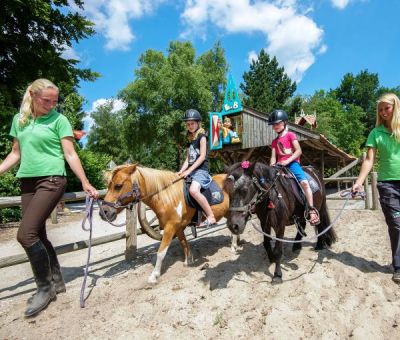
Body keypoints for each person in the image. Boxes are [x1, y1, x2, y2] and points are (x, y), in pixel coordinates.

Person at [0, 79, 99, 317]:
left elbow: (70, 153)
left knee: (25, 234)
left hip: (52, 180)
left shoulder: (59, 120)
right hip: (27, 181)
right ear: (32, 96)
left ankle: (44, 289)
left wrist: (85, 181)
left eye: (55, 101)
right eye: (47, 101)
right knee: (38, 234)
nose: (52, 105)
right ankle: (56, 281)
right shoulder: (19, 120)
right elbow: (15, 153)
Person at [352, 93, 400, 284]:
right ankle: (398, 266)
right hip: (388, 185)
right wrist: (358, 181)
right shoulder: (375, 133)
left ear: (395, 107)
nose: (383, 112)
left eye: (386, 108)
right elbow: (369, 160)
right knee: (397, 225)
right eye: (380, 109)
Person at [268, 109, 320, 225]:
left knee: (305, 183)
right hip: (278, 166)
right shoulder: (274, 141)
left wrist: (287, 161)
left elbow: (298, 151)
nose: (275, 126)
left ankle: (312, 210)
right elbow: (273, 157)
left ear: (284, 123)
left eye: (277, 123)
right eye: (273, 125)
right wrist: (271, 166)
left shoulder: (291, 135)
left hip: (292, 164)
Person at [177, 109, 216, 227]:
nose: (190, 126)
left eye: (192, 123)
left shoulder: (202, 137)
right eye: (188, 124)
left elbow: (202, 156)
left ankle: (211, 216)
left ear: (198, 123)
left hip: (201, 171)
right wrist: (181, 171)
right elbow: (188, 159)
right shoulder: (190, 140)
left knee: (193, 190)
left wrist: (189, 170)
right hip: (191, 171)